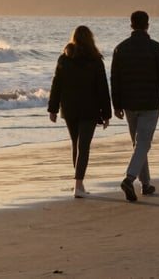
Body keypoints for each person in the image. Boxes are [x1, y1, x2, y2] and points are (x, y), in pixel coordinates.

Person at [111, 10, 159, 202]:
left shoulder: (120, 48)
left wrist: (116, 105)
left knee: (139, 144)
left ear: (131, 25)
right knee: (143, 143)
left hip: (129, 103)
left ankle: (145, 184)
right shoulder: (156, 48)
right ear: (147, 25)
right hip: (150, 102)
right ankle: (129, 178)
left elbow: (115, 80)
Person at [47, 25, 111, 198]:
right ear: (90, 39)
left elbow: (56, 85)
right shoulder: (96, 60)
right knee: (84, 146)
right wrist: (106, 114)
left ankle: (79, 183)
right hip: (89, 109)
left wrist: (52, 109)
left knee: (76, 144)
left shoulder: (64, 59)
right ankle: (78, 184)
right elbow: (102, 89)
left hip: (69, 109)